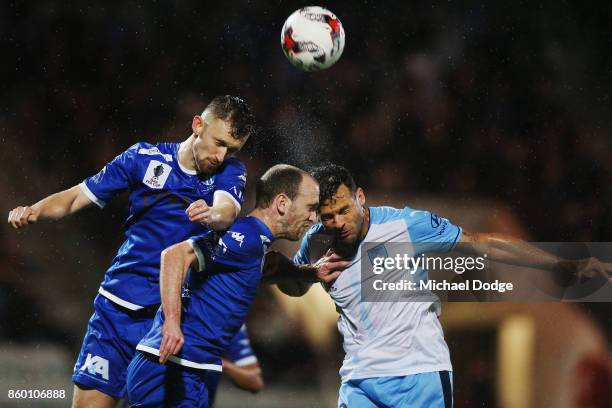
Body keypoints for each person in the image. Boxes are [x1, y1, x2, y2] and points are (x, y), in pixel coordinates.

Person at [265, 163, 612, 408]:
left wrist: (565, 262)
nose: (338, 222)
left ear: (360, 197)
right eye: (328, 216)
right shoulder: (316, 240)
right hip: (360, 380)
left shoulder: (406, 225)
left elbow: (483, 243)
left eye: (343, 210)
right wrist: (301, 273)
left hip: (418, 376)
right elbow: (295, 288)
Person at [7, 95, 256, 408]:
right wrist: (34, 210)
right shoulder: (142, 158)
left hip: (169, 321)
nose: (220, 156)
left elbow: (227, 209)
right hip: (116, 310)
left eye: (231, 149)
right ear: (197, 125)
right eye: (218, 143)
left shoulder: (230, 172)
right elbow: (76, 197)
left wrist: (212, 214)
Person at [126, 164, 349, 407]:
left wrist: (311, 272)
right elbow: (174, 256)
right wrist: (171, 322)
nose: (313, 218)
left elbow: (269, 265)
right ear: (282, 203)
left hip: (192, 368)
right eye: (310, 208)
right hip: (171, 366)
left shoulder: (256, 244)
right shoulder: (246, 237)